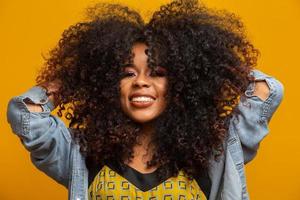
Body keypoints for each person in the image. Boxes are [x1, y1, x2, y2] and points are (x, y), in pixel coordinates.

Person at [6, 0, 284, 199]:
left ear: (182, 83)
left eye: (158, 73)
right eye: (127, 73)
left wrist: (218, 67)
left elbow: (267, 91)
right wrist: (75, 75)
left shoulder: (215, 150)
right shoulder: (80, 153)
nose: (140, 81)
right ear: (107, 83)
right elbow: (26, 115)